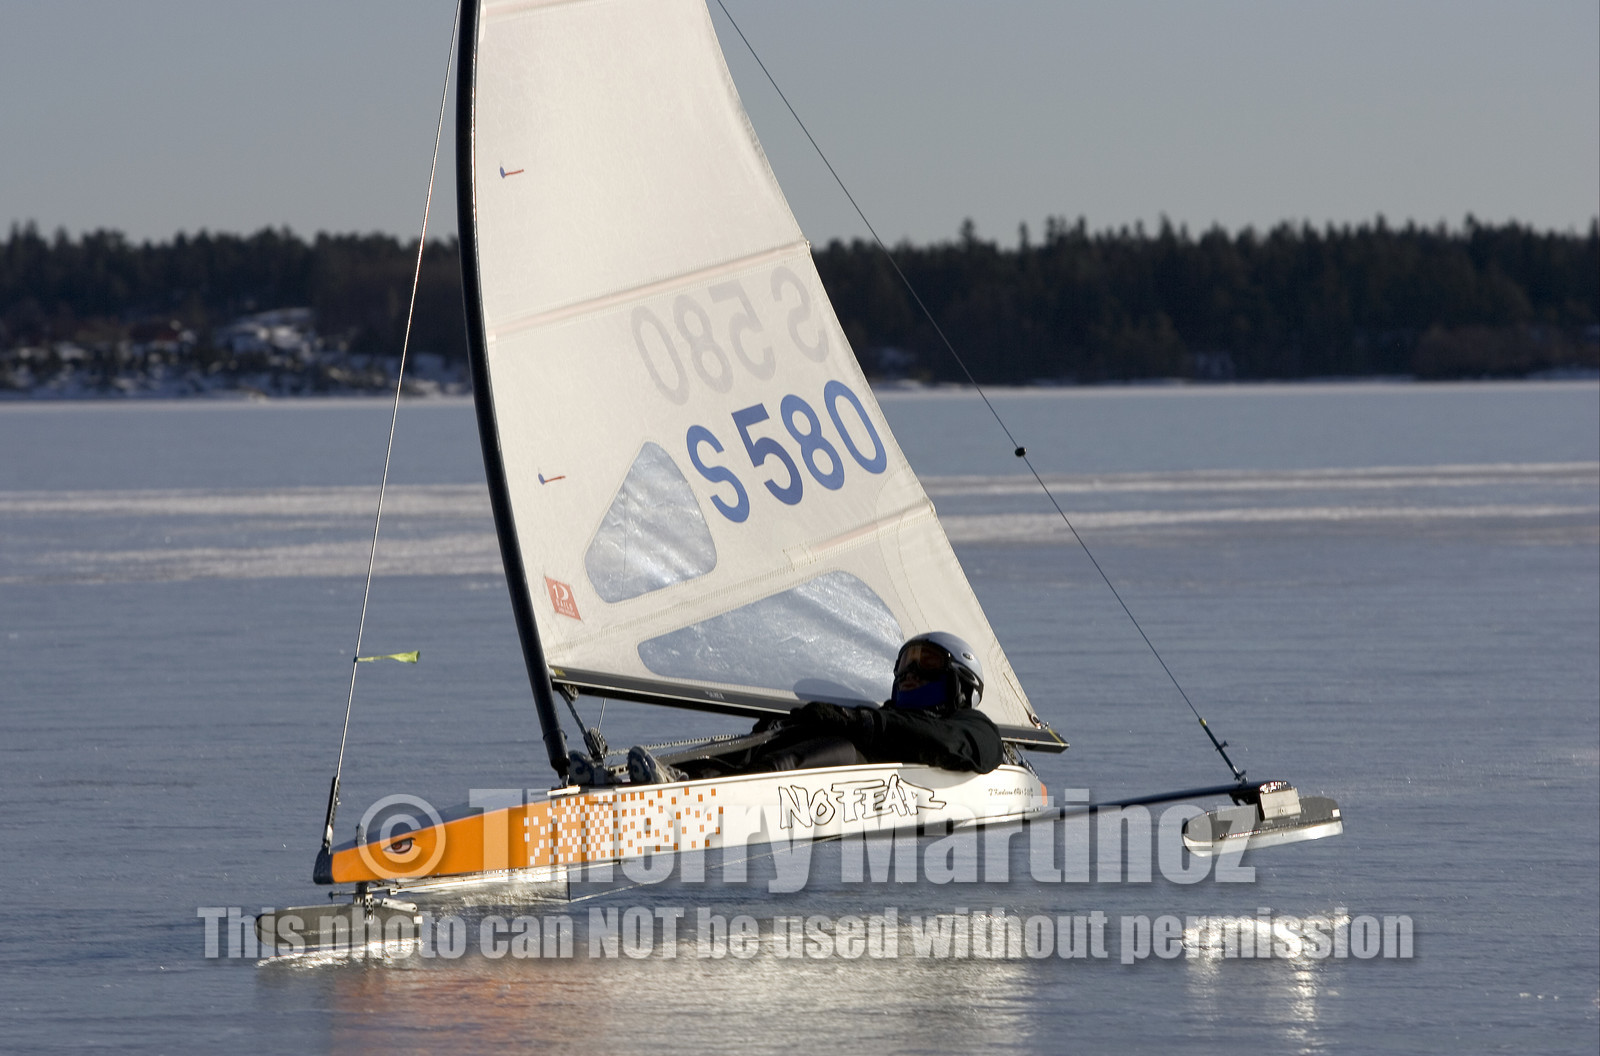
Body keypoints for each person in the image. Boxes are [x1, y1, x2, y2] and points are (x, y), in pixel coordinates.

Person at [624, 631, 1005, 784]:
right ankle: (657, 779)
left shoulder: (974, 726)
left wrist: (859, 722)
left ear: (959, 683)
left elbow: (960, 745)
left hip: (861, 770)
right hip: (832, 763)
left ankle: (689, 789)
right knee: (766, 746)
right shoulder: (878, 715)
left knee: (827, 751)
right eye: (905, 663)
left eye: (928, 664)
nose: (911, 672)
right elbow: (878, 722)